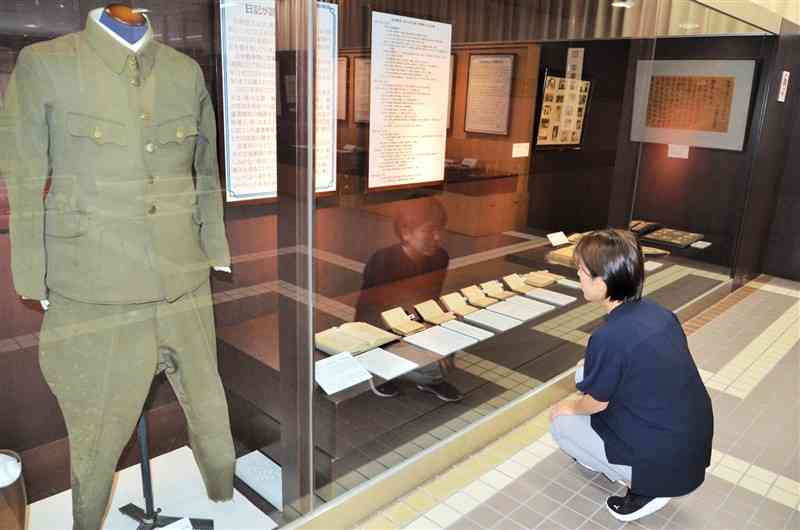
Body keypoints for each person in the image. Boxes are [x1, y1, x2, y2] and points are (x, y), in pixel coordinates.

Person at [548, 229, 713, 522]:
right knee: (583, 370)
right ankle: (626, 465)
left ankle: (644, 489)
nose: (578, 277)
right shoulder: (660, 314)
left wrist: (567, 406)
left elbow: (596, 403)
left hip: (662, 462)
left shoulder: (609, 336)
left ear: (605, 280)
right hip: (690, 444)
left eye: (583, 271)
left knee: (561, 423)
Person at [355, 196, 462, 402]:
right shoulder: (383, 261)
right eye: (429, 230)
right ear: (405, 232)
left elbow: (430, 301)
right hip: (381, 329)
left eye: (440, 229)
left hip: (413, 324)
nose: (438, 237)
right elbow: (374, 315)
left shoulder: (440, 257)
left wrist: (441, 330)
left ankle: (424, 375)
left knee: (447, 351)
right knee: (431, 367)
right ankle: (377, 368)